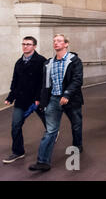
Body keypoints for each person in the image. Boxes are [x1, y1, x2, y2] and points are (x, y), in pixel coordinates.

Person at [29, 34, 84, 172]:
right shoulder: (48, 64)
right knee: (50, 131)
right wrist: (43, 102)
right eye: (54, 41)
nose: (56, 43)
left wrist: (67, 94)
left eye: (59, 41)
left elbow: (77, 80)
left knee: (76, 125)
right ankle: (43, 161)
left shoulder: (74, 61)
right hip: (54, 99)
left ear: (66, 44)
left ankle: (77, 146)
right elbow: (45, 85)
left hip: (71, 99)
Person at [3, 37, 47, 164]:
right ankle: (18, 152)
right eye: (24, 44)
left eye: (28, 44)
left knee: (47, 121)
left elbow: (43, 82)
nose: (25, 46)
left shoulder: (41, 61)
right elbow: (15, 82)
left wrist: (39, 98)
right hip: (21, 100)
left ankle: (53, 132)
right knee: (15, 126)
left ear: (34, 46)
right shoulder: (19, 62)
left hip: (36, 100)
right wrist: (10, 97)